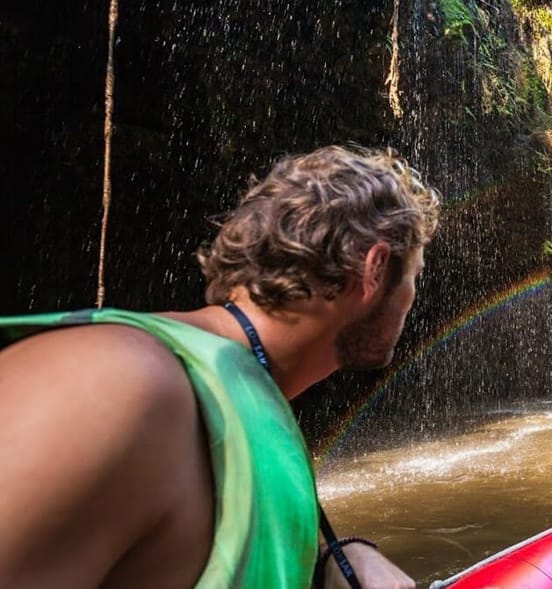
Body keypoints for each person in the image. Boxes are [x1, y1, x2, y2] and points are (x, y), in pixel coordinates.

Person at [0, 145, 441, 589]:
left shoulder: (242, 393)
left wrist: (336, 556)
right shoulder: (123, 381)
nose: (412, 299)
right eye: (415, 276)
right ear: (374, 269)